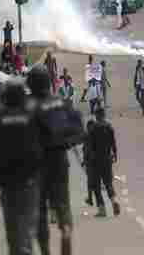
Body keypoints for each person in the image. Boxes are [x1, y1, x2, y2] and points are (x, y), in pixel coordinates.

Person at [0, 78, 45, 255]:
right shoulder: (33, 113)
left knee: (12, 233)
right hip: (30, 181)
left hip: (7, 183)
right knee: (26, 230)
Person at [27, 67, 83, 255]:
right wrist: (65, 142)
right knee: (62, 203)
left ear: (31, 84)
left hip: (37, 165)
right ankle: (66, 230)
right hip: (59, 161)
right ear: (48, 83)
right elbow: (78, 128)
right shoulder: (61, 102)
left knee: (40, 210)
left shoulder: (27, 107)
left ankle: (45, 251)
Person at [87, 107, 120, 217]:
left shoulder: (93, 128)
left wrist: (89, 159)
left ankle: (102, 209)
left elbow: (90, 146)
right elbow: (113, 143)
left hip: (96, 160)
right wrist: (115, 155)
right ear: (104, 115)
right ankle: (114, 201)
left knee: (96, 185)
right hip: (107, 159)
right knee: (108, 184)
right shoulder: (109, 127)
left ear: (96, 115)